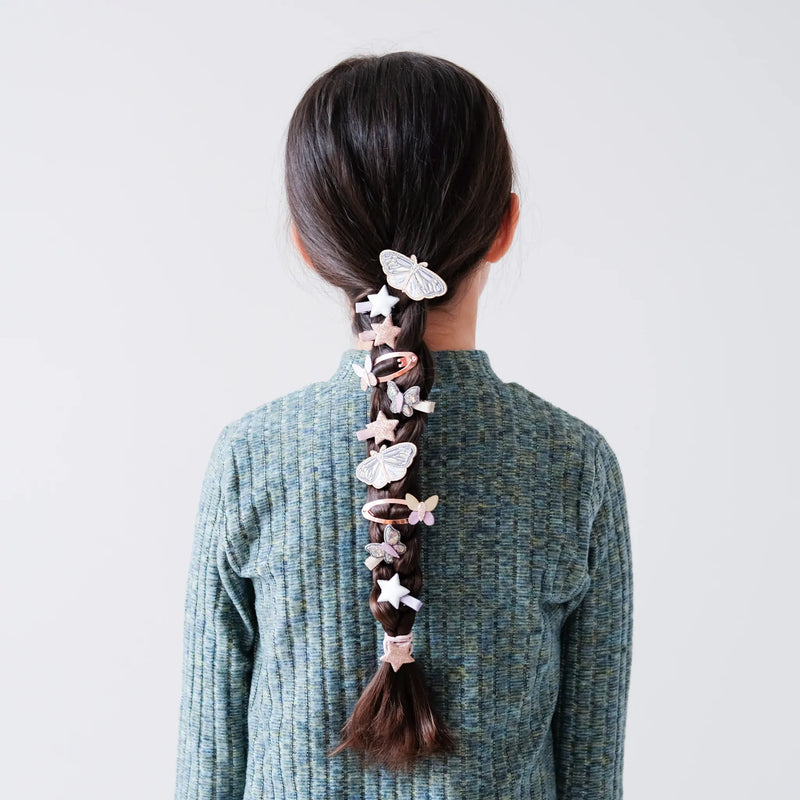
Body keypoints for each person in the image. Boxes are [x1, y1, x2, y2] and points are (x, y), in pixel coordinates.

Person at [173, 51, 633, 800]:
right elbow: (591, 768)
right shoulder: (572, 464)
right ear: (504, 227)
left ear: (309, 246)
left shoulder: (251, 458)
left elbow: (209, 764)